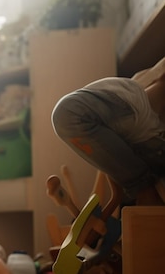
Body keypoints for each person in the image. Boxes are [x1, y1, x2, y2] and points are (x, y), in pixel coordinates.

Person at [51, 56, 165, 206]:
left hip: (142, 130)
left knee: (67, 115)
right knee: (67, 115)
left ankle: (142, 188)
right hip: (132, 106)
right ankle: (142, 187)